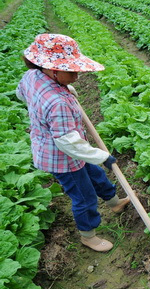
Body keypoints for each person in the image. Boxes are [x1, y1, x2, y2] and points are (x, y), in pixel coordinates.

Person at [16, 33, 129, 252]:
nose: (77, 76)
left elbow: (21, 94)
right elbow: (68, 143)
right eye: (72, 72)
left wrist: (64, 89)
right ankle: (88, 236)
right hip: (61, 158)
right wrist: (102, 156)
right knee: (84, 196)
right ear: (53, 70)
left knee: (96, 175)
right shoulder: (57, 103)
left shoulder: (32, 76)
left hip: (69, 147)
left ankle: (114, 203)